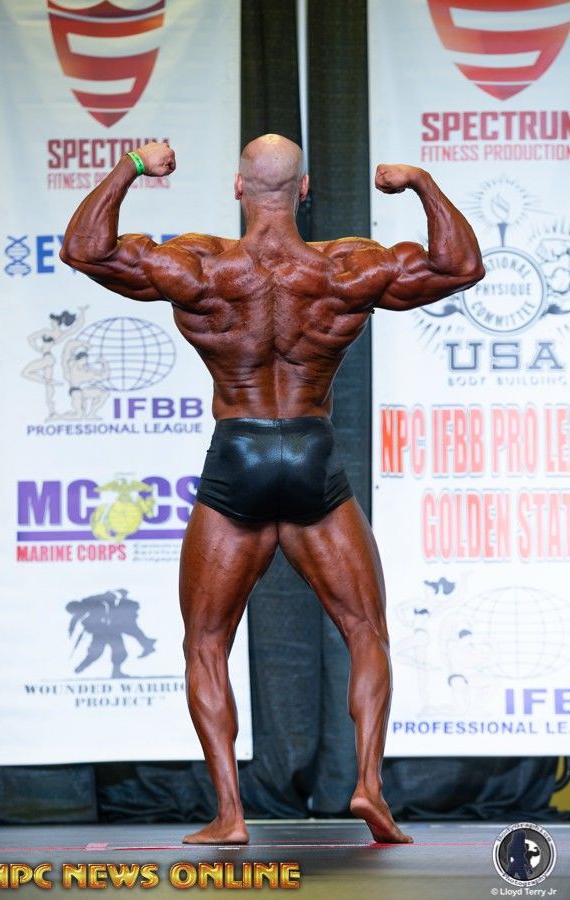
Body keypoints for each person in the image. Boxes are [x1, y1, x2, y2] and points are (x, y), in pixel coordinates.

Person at [60, 134, 484, 845]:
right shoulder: (345, 267)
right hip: (312, 455)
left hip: (239, 456)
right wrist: (420, 182)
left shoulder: (199, 265)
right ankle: (369, 786)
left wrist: (133, 166)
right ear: (304, 189)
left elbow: (84, 249)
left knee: (207, 642)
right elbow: (461, 264)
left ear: (238, 188)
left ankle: (230, 813)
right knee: (365, 631)